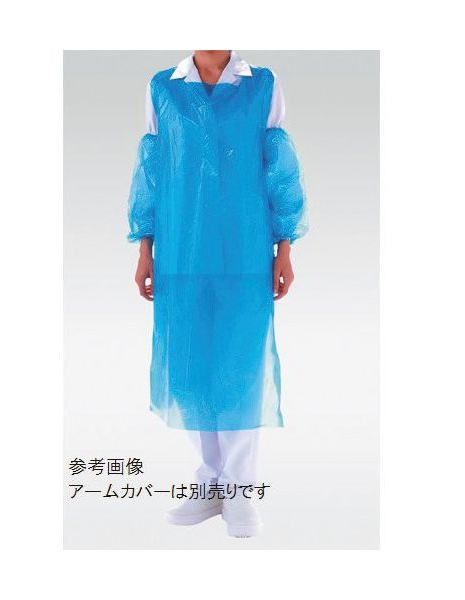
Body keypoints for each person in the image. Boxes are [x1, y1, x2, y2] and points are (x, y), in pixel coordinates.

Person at [127, 50, 308, 537]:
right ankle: (211, 481)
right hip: (181, 252)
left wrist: (284, 247)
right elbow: (152, 172)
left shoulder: (261, 85)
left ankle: (241, 491)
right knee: (190, 371)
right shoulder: (164, 88)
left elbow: (279, 170)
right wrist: (145, 249)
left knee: (241, 370)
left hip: (245, 252)